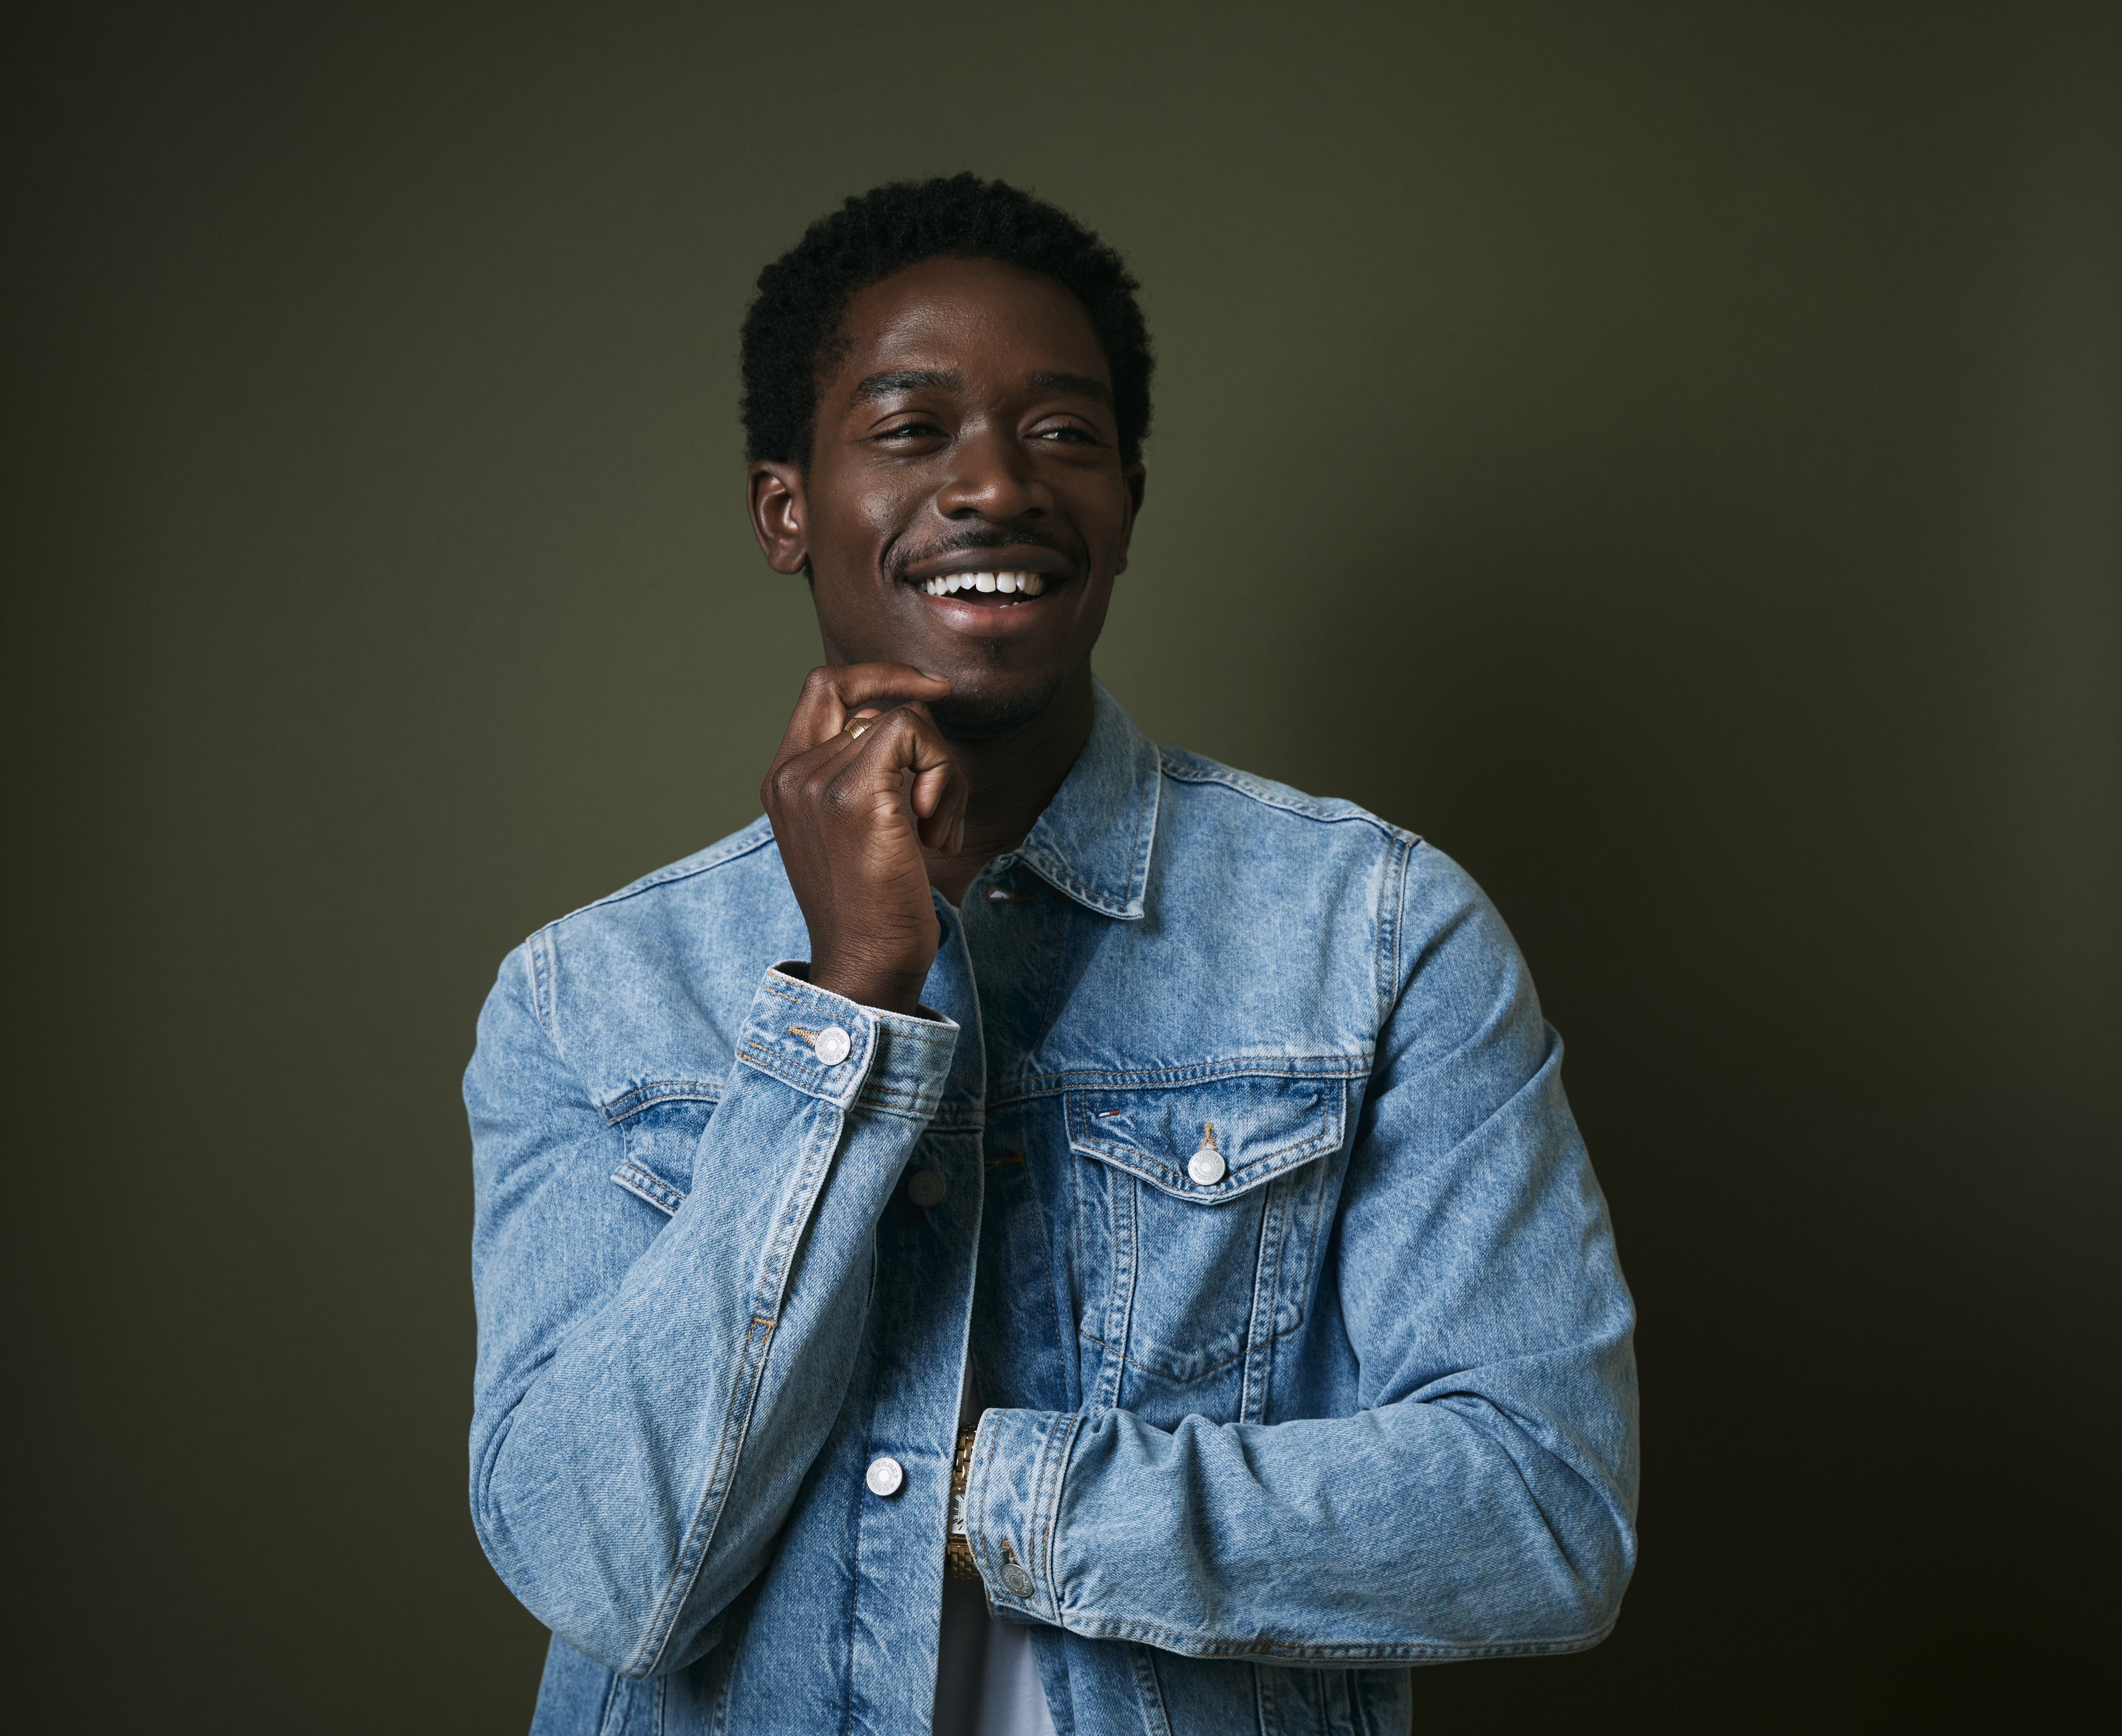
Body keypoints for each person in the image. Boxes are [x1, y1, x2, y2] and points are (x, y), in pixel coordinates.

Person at [465, 174, 1638, 1736]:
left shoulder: (1379, 935)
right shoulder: (584, 996)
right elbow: (600, 1567)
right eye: (909, 429)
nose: (994, 487)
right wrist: (845, 1004)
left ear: (1130, 506)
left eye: (1064, 434)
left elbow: (1542, 1509)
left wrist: (981, 1495)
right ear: (785, 507)